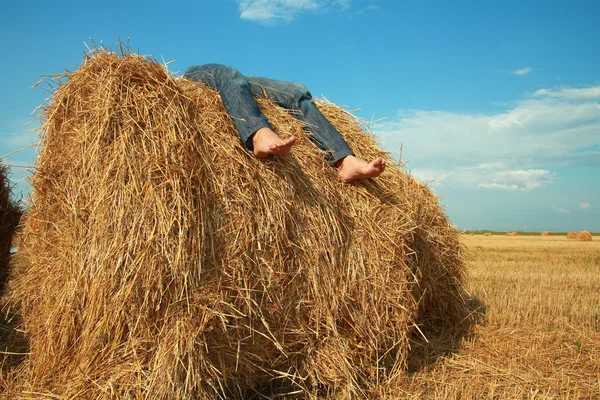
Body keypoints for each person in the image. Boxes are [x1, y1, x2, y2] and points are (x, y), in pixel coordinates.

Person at [184, 64, 385, 182]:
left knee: (296, 91)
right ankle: (259, 134)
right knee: (229, 74)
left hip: (236, 80)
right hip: (193, 74)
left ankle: (345, 160)